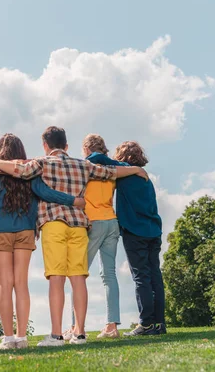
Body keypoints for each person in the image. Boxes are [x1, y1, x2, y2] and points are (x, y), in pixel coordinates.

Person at [0, 126, 149, 347]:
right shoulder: (82, 164)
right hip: (79, 225)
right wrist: (134, 169)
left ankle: (56, 335)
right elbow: (110, 173)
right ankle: (80, 334)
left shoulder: (42, 163)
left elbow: (18, 169)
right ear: (66, 145)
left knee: (56, 279)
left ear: (46, 145)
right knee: (78, 278)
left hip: (54, 224)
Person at [0, 133, 85, 350]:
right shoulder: (29, 172)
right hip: (25, 231)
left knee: (4, 283)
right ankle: (21, 337)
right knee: (21, 284)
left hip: (0, 231)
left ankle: (8, 337)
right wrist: (73, 200)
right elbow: (46, 193)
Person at [86, 141, 165, 336]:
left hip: (135, 231)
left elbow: (97, 157)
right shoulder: (146, 178)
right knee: (155, 276)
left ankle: (146, 324)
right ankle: (159, 323)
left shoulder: (126, 170)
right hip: (154, 231)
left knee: (141, 278)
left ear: (122, 156)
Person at [65, 134, 122, 340]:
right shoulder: (112, 170)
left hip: (93, 223)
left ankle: (75, 327)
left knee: (77, 275)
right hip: (112, 222)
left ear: (86, 149)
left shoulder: (85, 167)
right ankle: (112, 326)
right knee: (110, 275)